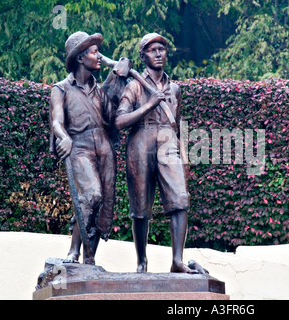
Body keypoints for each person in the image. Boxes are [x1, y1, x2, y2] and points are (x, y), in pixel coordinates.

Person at [116, 33, 194, 273]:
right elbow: (120, 121)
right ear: (143, 56)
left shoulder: (175, 89)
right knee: (140, 207)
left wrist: (185, 156)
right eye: (152, 50)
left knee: (180, 199)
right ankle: (141, 262)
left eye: (162, 49)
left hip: (168, 141)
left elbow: (178, 124)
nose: (159, 54)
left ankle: (177, 261)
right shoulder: (135, 85)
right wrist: (149, 104)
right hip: (140, 140)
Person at [50, 31, 127, 264]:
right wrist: (63, 137)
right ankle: (74, 251)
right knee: (91, 195)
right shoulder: (61, 88)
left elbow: (113, 119)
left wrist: (117, 69)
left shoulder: (100, 90)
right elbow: (56, 121)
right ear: (81, 58)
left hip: (104, 147)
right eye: (95, 52)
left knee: (104, 203)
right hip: (79, 145)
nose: (99, 57)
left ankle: (89, 259)